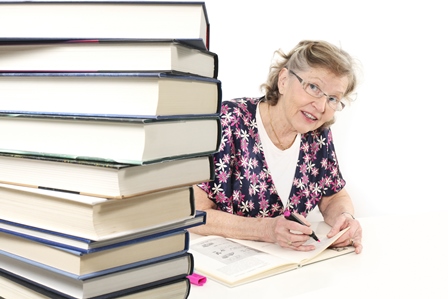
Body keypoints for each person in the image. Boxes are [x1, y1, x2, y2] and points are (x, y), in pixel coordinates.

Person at [189, 40, 363, 254]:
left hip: (289, 269)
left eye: (333, 98)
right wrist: (265, 229)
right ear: (283, 80)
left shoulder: (318, 136)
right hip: (227, 266)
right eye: (313, 87)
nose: (321, 106)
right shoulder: (229, 121)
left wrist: (345, 218)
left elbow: (334, 197)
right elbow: (194, 212)